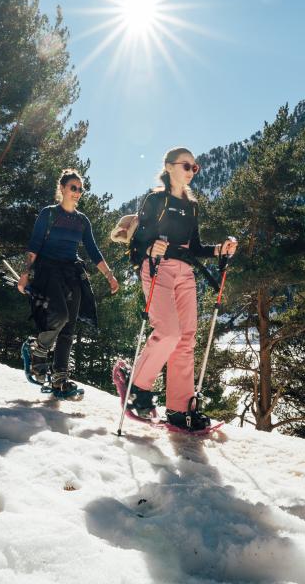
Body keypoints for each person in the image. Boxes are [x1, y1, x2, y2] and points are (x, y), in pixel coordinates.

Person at [129, 147, 237, 430]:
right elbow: (136, 243)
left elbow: (197, 247)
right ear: (169, 166)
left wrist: (219, 250)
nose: (191, 171)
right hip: (158, 268)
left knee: (186, 339)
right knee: (168, 332)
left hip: (185, 273)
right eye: (186, 166)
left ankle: (178, 408)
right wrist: (151, 248)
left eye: (195, 168)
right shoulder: (156, 200)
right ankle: (137, 387)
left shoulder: (192, 206)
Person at [17, 169, 119, 396]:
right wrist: (25, 274)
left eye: (81, 189)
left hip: (72, 272)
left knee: (70, 327)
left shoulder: (82, 221)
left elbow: (93, 250)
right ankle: (40, 348)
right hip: (48, 270)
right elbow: (34, 245)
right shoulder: (49, 214)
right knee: (60, 316)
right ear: (62, 188)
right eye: (73, 187)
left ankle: (60, 378)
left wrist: (109, 275)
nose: (78, 192)